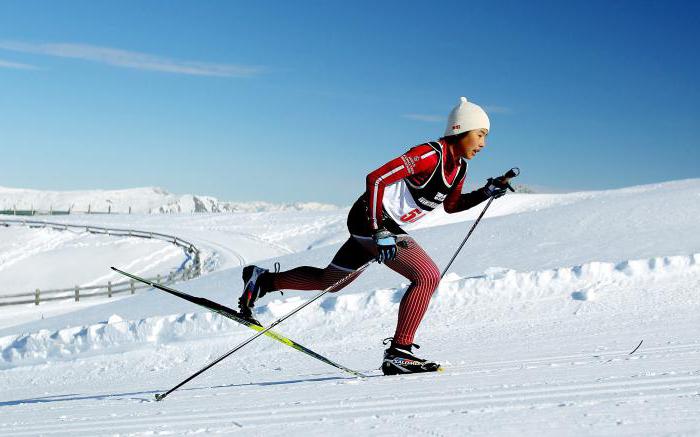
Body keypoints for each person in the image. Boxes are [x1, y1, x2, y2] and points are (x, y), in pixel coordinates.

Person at [238, 97, 513, 375]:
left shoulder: (459, 168)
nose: (483, 144)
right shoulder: (430, 155)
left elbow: (452, 206)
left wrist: (487, 192)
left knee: (330, 281)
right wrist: (378, 229)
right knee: (427, 275)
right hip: (371, 219)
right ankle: (399, 353)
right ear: (460, 129)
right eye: (481, 134)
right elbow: (377, 179)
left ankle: (262, 281)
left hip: (383, 226)